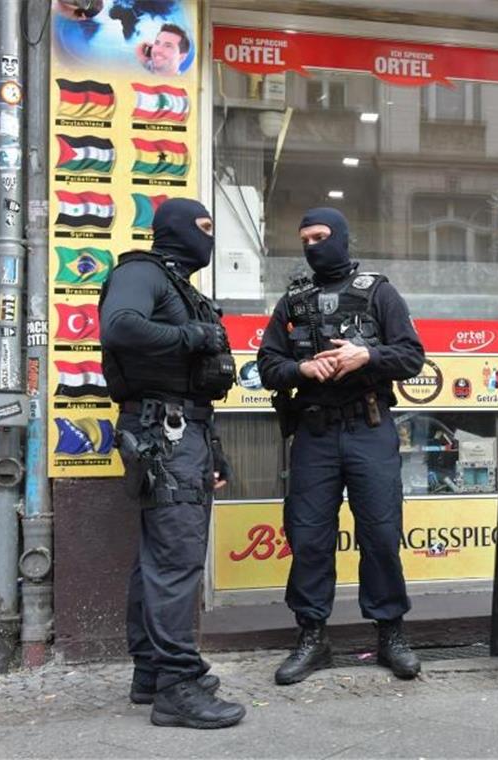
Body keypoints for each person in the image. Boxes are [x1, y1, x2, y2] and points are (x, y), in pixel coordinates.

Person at [256, 207, 426, 685]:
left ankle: (390, 632)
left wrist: (366, 354)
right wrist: (301, 370)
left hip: (369, 428)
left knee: (380, 533)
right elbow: (266, 364)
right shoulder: (293, 300)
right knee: (308, 537)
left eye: (322, 236)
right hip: (314, 434)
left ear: (343, 238)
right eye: (305, 237)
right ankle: (312, 636)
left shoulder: (379, 292)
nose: (313, 245)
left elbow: (412, 356)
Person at [98, 198, 244, 730]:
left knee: (157, 558)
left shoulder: (179, 284)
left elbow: (190, 382)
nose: (209, 237)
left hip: (184, 430)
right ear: (176, 229)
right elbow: (119, 328)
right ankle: (177, 687)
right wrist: (191, 335)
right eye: (203, 227)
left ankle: (152, 673)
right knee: (176, 559)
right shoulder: (141, 273)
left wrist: (215, 448)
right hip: (163, 435)